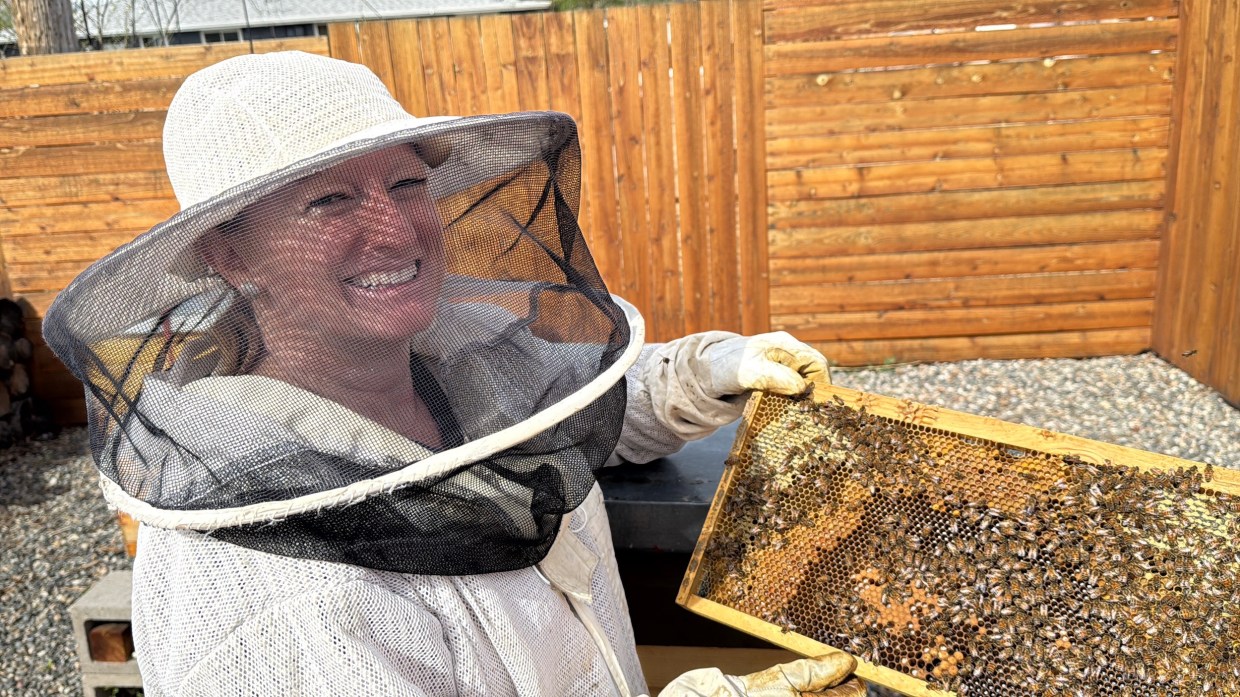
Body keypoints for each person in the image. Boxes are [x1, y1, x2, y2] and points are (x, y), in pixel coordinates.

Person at [43, 52, 866, 696]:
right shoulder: (270, 594)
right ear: (228, 253)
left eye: (408, 183)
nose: (396, 228)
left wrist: (709, 369)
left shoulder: (444, 367)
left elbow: (563, 405)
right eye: (328, 203)